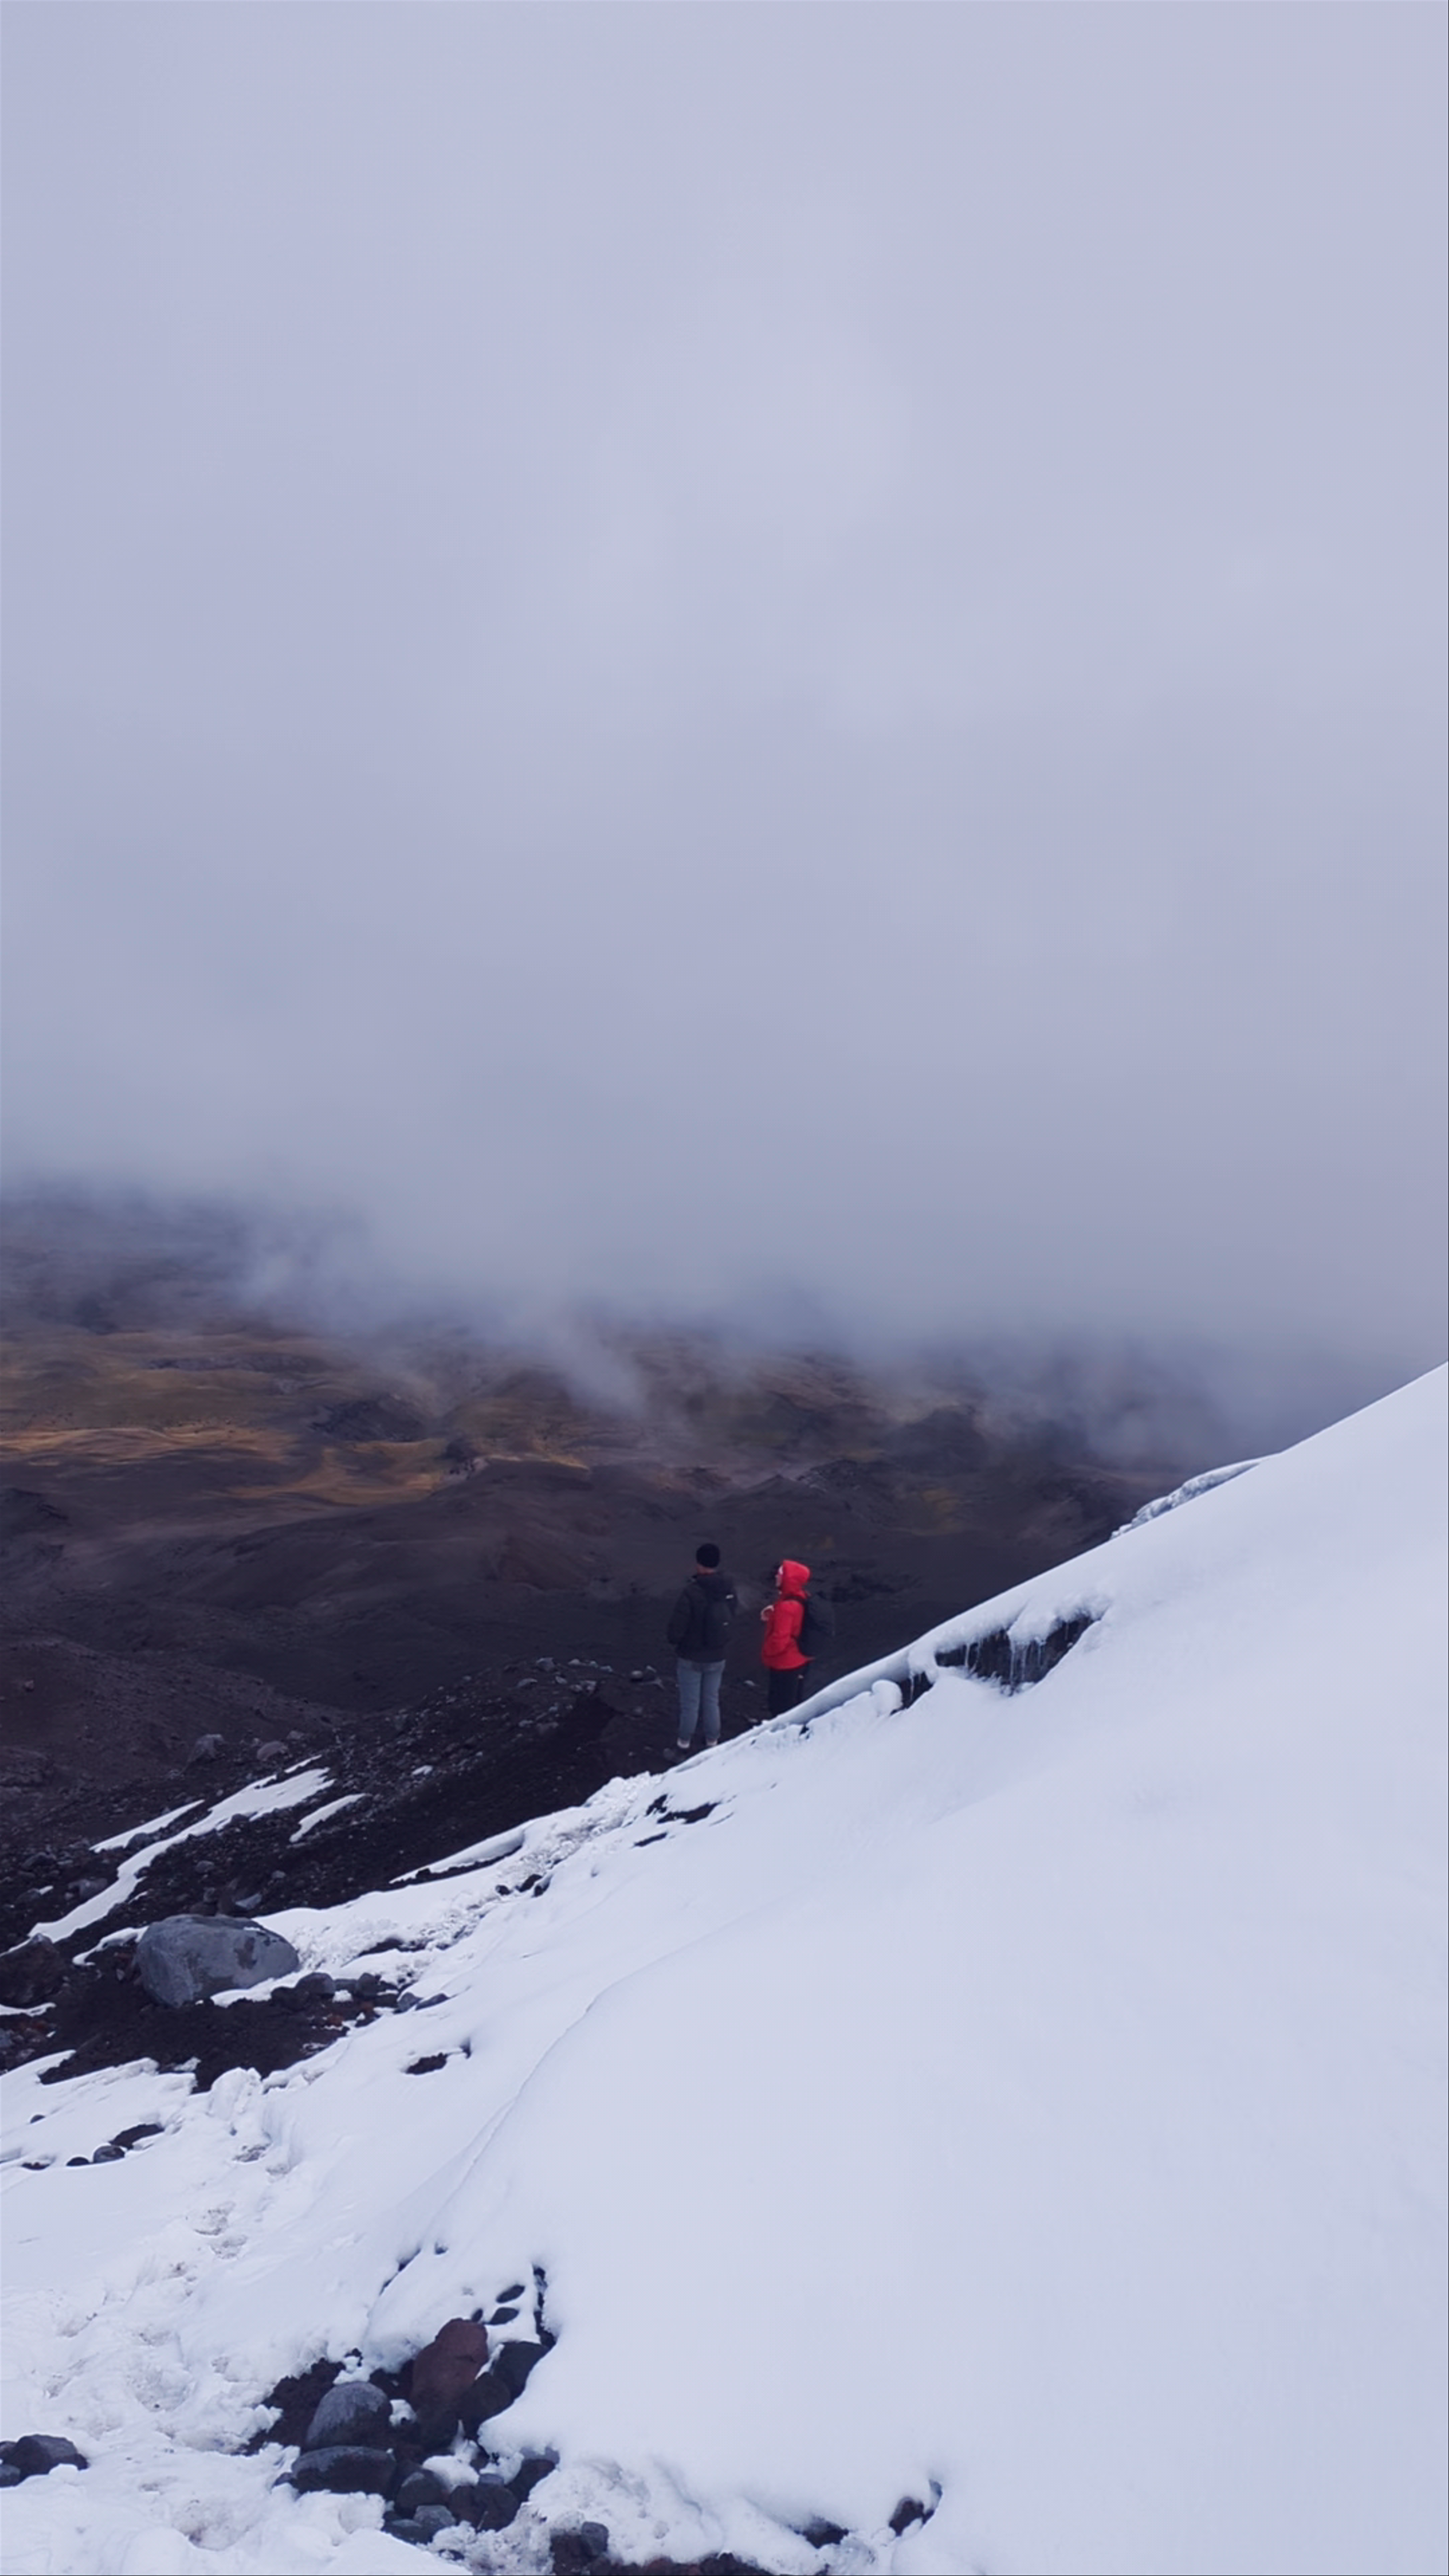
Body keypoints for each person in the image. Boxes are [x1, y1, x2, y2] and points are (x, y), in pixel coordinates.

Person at [666, 1542, 738, 1754]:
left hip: (691, 1657)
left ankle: (684, 1744)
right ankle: (712, 1742)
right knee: (711, 1700)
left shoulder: (692, 1592)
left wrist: (676, 1641)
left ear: (698, 1564)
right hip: (718, 1655)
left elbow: (676, 1629)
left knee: (690, 1703)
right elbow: (732, 1614)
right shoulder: (729, 1589)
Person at [760, 1558, 828, 1716]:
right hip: (800, 1660)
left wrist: (767, 1652)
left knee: (780, 1706)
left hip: (785, 1663)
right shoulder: (802, 1598)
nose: (777, 1577)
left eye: (780, 1574)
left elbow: (780, 1639)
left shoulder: (786, 1607)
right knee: (794, 1702)